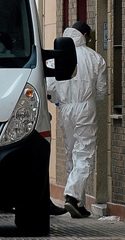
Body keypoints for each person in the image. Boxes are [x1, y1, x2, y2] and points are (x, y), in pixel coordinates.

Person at [46, 21, 107, 219]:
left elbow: (50, 88)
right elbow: (102, 92)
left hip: (65, 108)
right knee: (85, 153)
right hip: (85, 107)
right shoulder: (95, 58)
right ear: (85, 35)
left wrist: (60, 101)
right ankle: (72, 196)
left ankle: (78, 204)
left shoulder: (57, 56)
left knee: (72, 152)